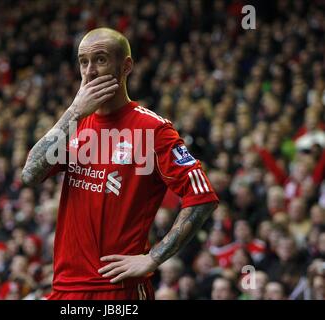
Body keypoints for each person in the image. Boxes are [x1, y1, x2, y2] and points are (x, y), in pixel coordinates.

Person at [22, 27, 219, 300]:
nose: (89, 71)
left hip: (118, 290)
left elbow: (202, 196)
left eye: (100, 59)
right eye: (83, 61)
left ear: (126, 66)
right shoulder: (74, 125)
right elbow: (30, 174)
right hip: (65, 288)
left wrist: (153, 257)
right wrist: (74, 112)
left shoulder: (153, 129)